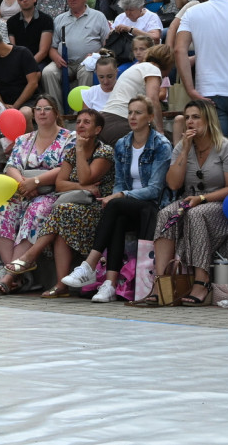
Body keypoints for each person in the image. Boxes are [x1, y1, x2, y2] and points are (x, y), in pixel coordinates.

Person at [61, 96, 171, 302]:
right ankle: (110, 284)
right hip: (127, 204)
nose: (132, 117)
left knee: (116, 203)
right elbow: (120, 181)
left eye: (138, 112)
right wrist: (119, 194)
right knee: (117, 214)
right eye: (130, 112)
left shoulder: (161, 144)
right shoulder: (122, 144)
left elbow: (155, 189)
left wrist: (121, 195)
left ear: (149, 117)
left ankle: (89, 265)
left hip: (153, 206)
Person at [6, 109, 114, 298]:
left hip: (97, 206)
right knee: (62, 214)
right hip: (73, 205)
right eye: (78, 121)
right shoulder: (72, 152)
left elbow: (87, 176)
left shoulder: (103, 151)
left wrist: (80, 152)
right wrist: (82, 185)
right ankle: (60, 284)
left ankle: (30, 257)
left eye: (86, 122)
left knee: (61, 211)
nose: (80, 125)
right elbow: (60, 184)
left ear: (97, 130)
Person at [144, 100, 228, 308]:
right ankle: (161, 283)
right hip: (189, 199)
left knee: (196, 214)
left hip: (218, 202)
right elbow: (173, 183)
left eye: (196, 117)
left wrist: (202, 199)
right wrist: (184, 150)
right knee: (166, 214)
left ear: (208, 120)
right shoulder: (182, 146)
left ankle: (202, 282)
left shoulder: (226, 147)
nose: (190, 122)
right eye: (187, 118)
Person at [0, 96, 74, 293]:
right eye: (38, 109)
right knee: (2, 211)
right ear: (33, 114)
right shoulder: (23, 139)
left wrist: (36, 182)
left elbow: (65, 168)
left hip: (52, 192)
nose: (42, 112)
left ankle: (10, 276)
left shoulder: (70, 138)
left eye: (47, 109)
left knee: (36, 211)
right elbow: (11, 166)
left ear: (56, 113)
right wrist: (23, 184)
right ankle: (17, 275)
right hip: (23, 190)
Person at [175, 0, 228, 135]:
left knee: (216, 153)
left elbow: (179, 50)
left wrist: (190, 90)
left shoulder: (192, 12)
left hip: (208, 92)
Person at [42, 0, 111, 110]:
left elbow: (107, 44)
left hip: (87, 62)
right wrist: (56, 57)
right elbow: (52, 47)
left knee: (87, 71)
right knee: (48, 72)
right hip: (63, 61)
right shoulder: (59, 19)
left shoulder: (98, 16)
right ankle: (57, 112)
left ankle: (82, 112)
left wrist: (96, 56)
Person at [8, 0, 53, 66]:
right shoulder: (11, 22)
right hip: (18, 62)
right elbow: (13, 49)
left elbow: (43, 52)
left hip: (40, 62)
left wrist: (28, 66)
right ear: (17, 0)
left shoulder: (46, 20)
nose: (24, 0)